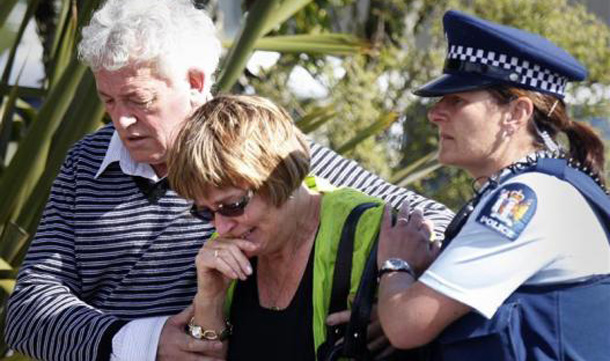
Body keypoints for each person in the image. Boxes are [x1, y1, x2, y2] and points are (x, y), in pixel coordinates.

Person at [3, 1, 454, 361]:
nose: (121, 119)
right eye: (107, 100)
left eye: (138, 100)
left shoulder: (264, 151)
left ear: (196, 82)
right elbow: (25, 314)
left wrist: (388, 307)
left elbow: (428, 218)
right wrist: (144, 343)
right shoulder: (86, 163)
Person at [375, 9, 610, 361]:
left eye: (458, 100)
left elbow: (407, 324)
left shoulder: (530, 199)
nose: (435, 113)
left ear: (517, 114)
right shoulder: (543, 184)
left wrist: (395, 263)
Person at [167, 94, 426, 360]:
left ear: (278, 175)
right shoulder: (226, 252)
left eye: (232, 205)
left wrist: (398, 309)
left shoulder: (371, 234)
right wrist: (210, 299)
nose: (220, 228)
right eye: (204, 212)